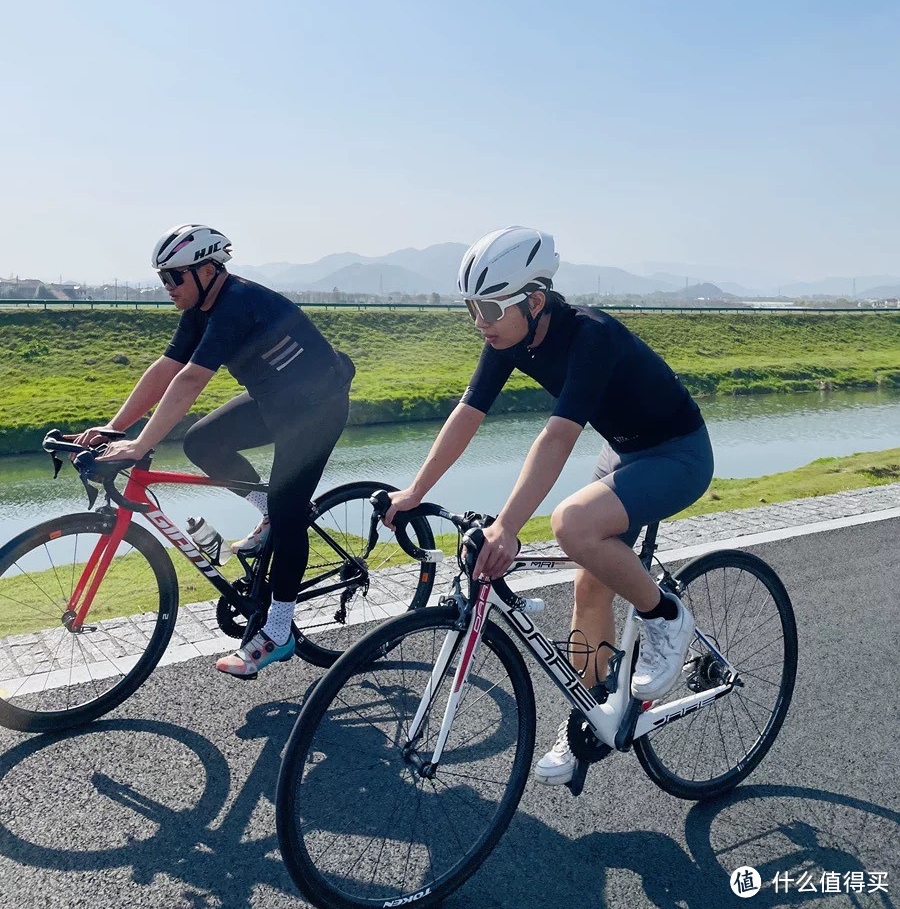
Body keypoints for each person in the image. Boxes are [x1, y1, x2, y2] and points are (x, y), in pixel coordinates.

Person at [385, 226, 714, 786]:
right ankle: (590, 716)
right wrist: (415, 491)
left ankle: (666, 618)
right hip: (625, 452)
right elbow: (467, 416)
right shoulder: (507, 339)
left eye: (489, 307)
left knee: (572, 524)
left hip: (678, 454)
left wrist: (507, 527)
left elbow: (558, 437)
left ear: (534, 300)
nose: (479, 321)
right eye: (471, 308)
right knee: (590, 585)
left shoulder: (591, 335)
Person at [73, 223, 355, 679]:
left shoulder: (237, 303)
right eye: (162, 278)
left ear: (207, 270)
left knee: (289, 514)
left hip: (316, 409)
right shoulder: (200, 308)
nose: (168, 287)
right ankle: (265, 509)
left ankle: (279, 630)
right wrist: (114, 428)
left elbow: (190, 380)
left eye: (174, 277)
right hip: (273, 402)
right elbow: (166, 368)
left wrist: (143, 443)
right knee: (202, 442)